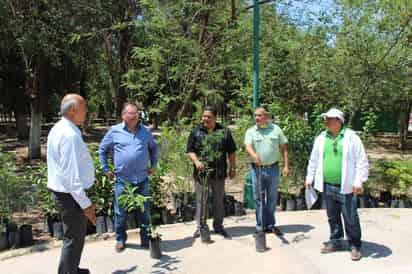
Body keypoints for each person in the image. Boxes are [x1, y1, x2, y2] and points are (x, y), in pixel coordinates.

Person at [305, 108, 369, 261]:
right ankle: (336, 241)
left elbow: (362, 160)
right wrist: (309, 177)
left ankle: (354, 245)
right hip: (327, 185)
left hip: (345, 186)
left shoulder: (351, 137)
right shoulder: (321, 137)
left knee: (350, 216)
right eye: (326, 119)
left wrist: (359, 180)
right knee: (332, 216)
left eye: (330, 119)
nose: (326, 121)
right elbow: (313, 160)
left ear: (339, 121)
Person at [98, 102, 158, 252]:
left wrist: (154, 165)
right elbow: (102, 150)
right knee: (121, 213)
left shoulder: (145, 131)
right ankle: (120, 239)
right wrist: (105, 169)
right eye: (130, 114)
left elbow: (153, 148)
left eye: (136, 114)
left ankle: (146, 239)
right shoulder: (114, 131)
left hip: (142, 179)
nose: (134, 116)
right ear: (123, 115)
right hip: (123, 181)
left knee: (145, 211)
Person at [47, 94, 96, 274]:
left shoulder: (60, 128)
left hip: (66, 193)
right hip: (70, 196)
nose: (86, 111)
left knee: (74, 237)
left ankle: (72, 268)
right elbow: (72, 176)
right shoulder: (69, 135)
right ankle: (68, 271)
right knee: (73, 239)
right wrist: (86, 205)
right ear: (73, 110)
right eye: (84, 108)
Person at [186, 106, 237, 239]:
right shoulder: (196, 132)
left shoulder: (224, 132)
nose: (205, 119)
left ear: (215, 117)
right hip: (201, 174)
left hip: (219, 172)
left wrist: (233, 168)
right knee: (201, 201)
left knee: (218, 201)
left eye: (208, 117)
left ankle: (218, 226)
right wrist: (196, 161)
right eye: (204, 116)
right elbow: (190, 150)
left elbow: (231, 151)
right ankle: (201, 227)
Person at [244, 107, 289, 235]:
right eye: (255, 116)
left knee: (272, 198)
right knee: (258, 198)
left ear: (266, 117)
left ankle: (270, 225)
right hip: (257, 169)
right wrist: (254, 155)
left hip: (273, 168)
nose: (257, 118)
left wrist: (286, 166)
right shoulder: (251, 131)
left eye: (259, 115)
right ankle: (260, 226)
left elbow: (284, 149)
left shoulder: (276, 130)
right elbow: (248, 146)